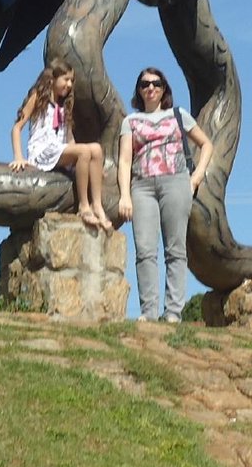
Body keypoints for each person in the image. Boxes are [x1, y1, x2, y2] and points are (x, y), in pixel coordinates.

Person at [117, 66, 213, 322]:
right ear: (139, 90)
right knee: (145, 250)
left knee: (175, 249)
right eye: (145, 84)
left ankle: (173, 313)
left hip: (176, 182)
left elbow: (206, 144)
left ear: (164, 89)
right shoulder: (130, 122)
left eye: (156, 84)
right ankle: (148, 312)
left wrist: (196, 177)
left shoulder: (178, 115)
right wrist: (124, 195)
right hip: (142, 186)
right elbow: (125, 160)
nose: (151, 88)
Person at [11, 59, 112, 231]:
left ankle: (97, 205)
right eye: (66, 79)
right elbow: (17, 128)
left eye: (71, 80)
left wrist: (92, 165)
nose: (69, 84)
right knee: (83, 151)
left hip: (59, 149)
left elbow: (69, 139)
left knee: (95, 149)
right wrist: (19, 157)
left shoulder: (64, 107)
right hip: (42, 151)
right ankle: (83, 206)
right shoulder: (38, 97)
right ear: (52, 79)